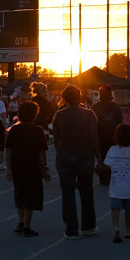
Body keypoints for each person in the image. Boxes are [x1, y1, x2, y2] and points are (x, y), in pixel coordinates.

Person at [51, 85, 103, 239]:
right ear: (80, 97)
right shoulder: (89, 114)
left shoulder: (59, 115)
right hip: (85, 155)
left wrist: (61, 152)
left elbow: (57, 138)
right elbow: (94, 139)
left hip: (65, 155)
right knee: (86, 191)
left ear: (64, 99)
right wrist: (99, 160)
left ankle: (71, 229)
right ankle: (88, 226)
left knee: (68, 193)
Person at [5, 100, 51, 237]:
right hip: (32, 167)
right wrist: (44, 170)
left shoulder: (13, 130)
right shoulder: (38, 130)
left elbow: (8, 151)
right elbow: (41, 153)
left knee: (19, 192)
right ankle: (27, 225)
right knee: (30, 195)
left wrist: (8, 168)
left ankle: (20, 222)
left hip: (17, 166)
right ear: (34, 115)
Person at [102, 123, 130, 243]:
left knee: (115, 208)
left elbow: (106, 166)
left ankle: (116, 227)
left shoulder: (112, 150)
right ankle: (127, 230)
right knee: (129, 208)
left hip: (116, 184)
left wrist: (97, 169)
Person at [91, 85, 123, 185]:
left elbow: (90, 121)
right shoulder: (116, 106)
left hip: (99, 136)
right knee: (112, 156)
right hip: (112, 136)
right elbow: (120, 122)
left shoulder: (95, 107)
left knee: (101, 156)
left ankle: (103, 176)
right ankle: (109, 175)